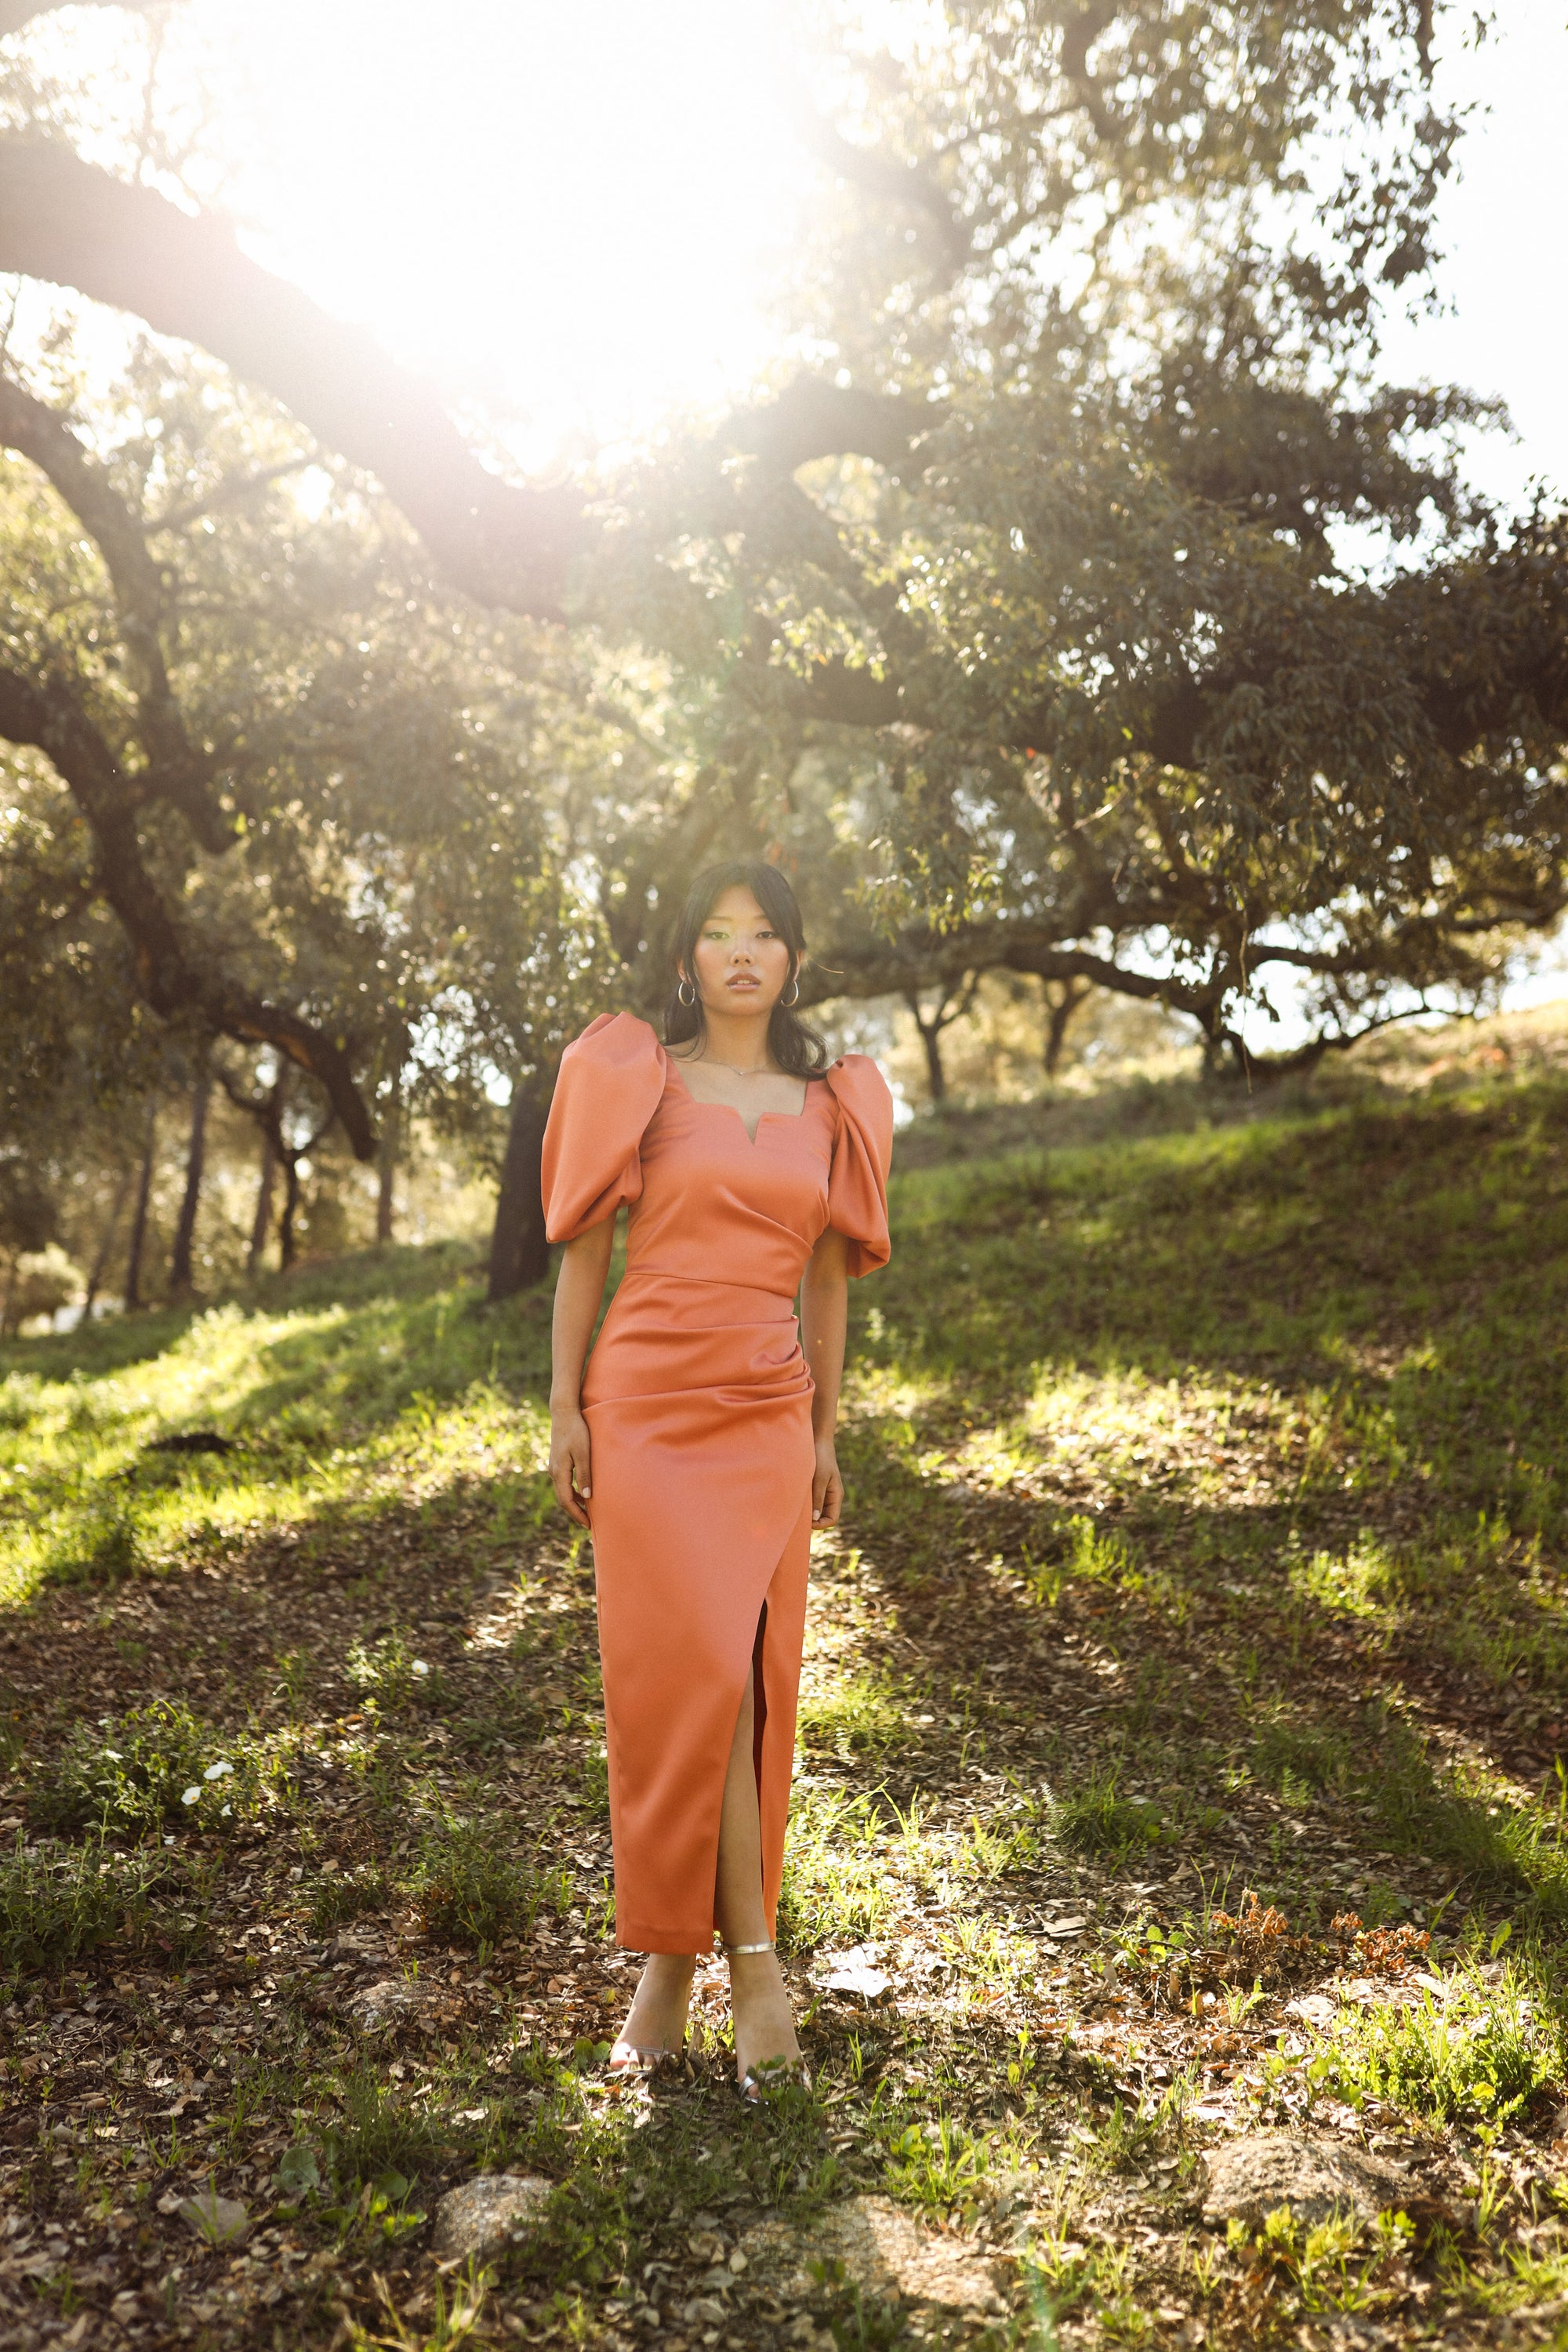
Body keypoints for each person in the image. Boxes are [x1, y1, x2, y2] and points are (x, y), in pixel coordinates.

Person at [541, 860, 893, 2097]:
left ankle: (673, 1972)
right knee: (687, 1681)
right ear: (687, 956)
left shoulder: (836, 1101)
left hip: (765, 1412)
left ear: (794, 955)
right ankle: (749, 1969)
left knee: (748, 1675)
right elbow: (586, 1250)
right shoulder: (638, 1075)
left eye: (763, 934)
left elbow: (830, 1281)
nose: (740, 954)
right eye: (714, 933)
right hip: (642, 1402)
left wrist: (829, 1433)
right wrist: (565, 1405)